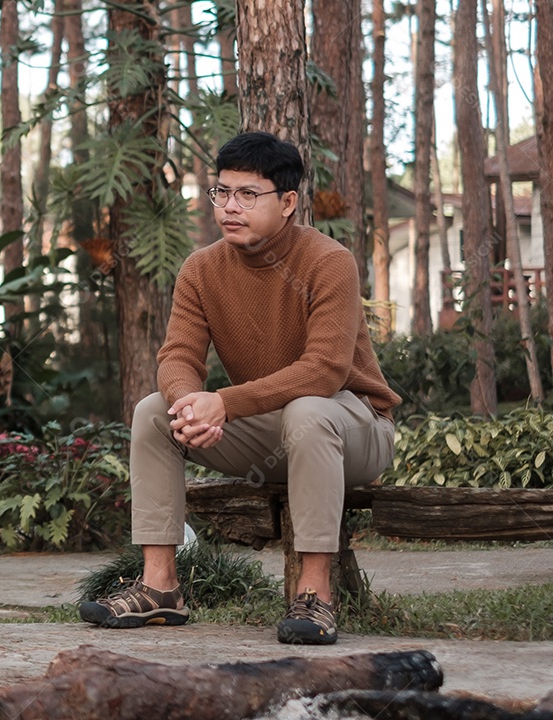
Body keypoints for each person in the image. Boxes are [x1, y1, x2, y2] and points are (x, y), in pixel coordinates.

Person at [79, 131, 400, 645]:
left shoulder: (329, 261)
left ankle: (315, 596)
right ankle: (160, 587)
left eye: (248, 195)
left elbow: (324, 371)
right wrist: (191, 406)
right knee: (151, 413)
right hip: (276, 432)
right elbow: (178, 356)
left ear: (288, 202)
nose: (229, 207)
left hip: (354, 432)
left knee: (310, 410)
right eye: (221, 193)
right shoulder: (201, 269)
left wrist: (224, 402)